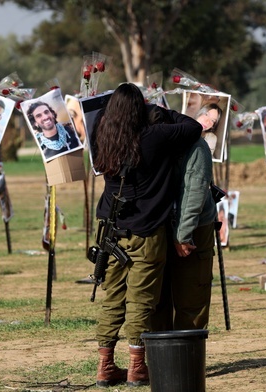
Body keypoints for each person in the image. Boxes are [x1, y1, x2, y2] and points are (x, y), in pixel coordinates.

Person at [91, 83, 201, 387]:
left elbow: (101, 115)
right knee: (141, 300)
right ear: (141, 110)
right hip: (148, 232)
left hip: (112, 233)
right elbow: (193, 127)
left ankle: (105, 365)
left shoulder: (103, 136)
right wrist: (160, 110)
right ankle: (137, 366)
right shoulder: (153, 136)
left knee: (112, 297)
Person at [151, 135, 216, 332]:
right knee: (156, 299)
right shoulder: (140, 136)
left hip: (194, 227)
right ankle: (160, 357)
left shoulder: (194, 144)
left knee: (192, 298)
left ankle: (187, 357)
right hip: (156, 226)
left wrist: (183, 234)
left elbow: (194, 190)